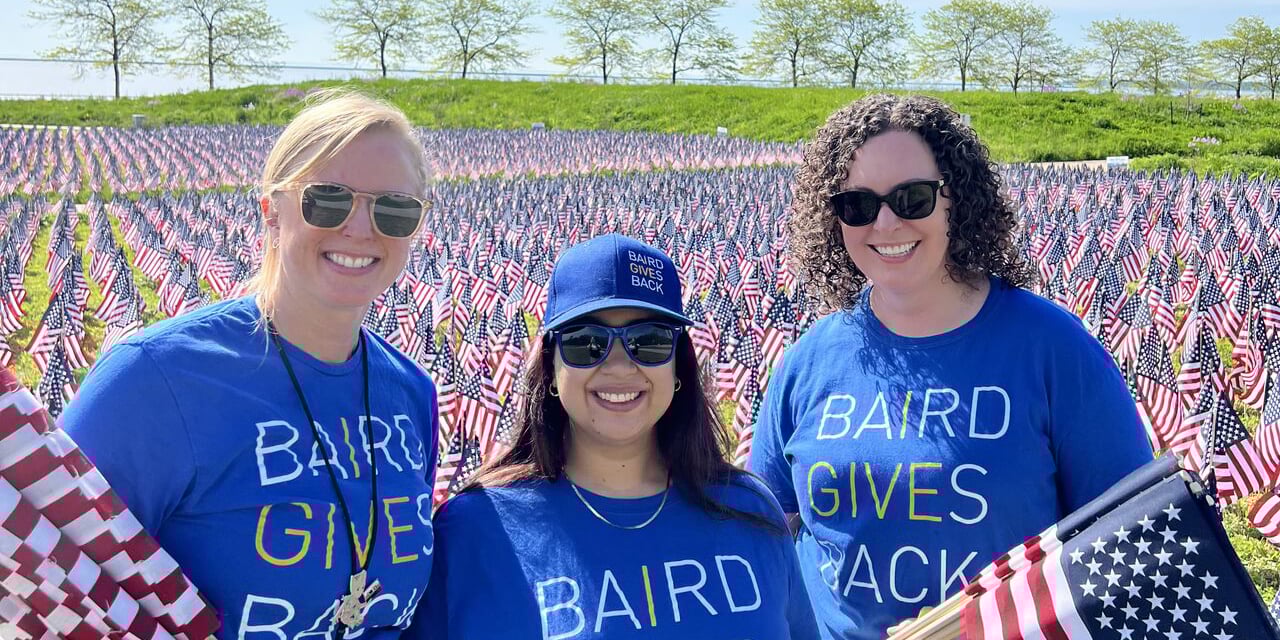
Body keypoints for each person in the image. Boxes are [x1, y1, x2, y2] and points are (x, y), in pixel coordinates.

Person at [747, 94, 1154, 639]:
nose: (885, 224)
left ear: (955, 200)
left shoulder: (1054, 347)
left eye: (912, 199)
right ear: (834, 219)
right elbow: (763, 535)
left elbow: (1129, 537)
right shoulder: (807, 360)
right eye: (858, 205)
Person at [61, 89, 440, 639]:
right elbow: (55, 591)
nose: (361, 228)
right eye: (327, 200)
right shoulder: (155, 381)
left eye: (394, 209)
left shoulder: (408, 392)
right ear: (271, 209)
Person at [411, 233, 818, 640]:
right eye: (587, 343)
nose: (620, 365)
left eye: (650, 341)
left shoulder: (751, 511)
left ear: (679, 366)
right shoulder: (472, 531)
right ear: (550, 366)